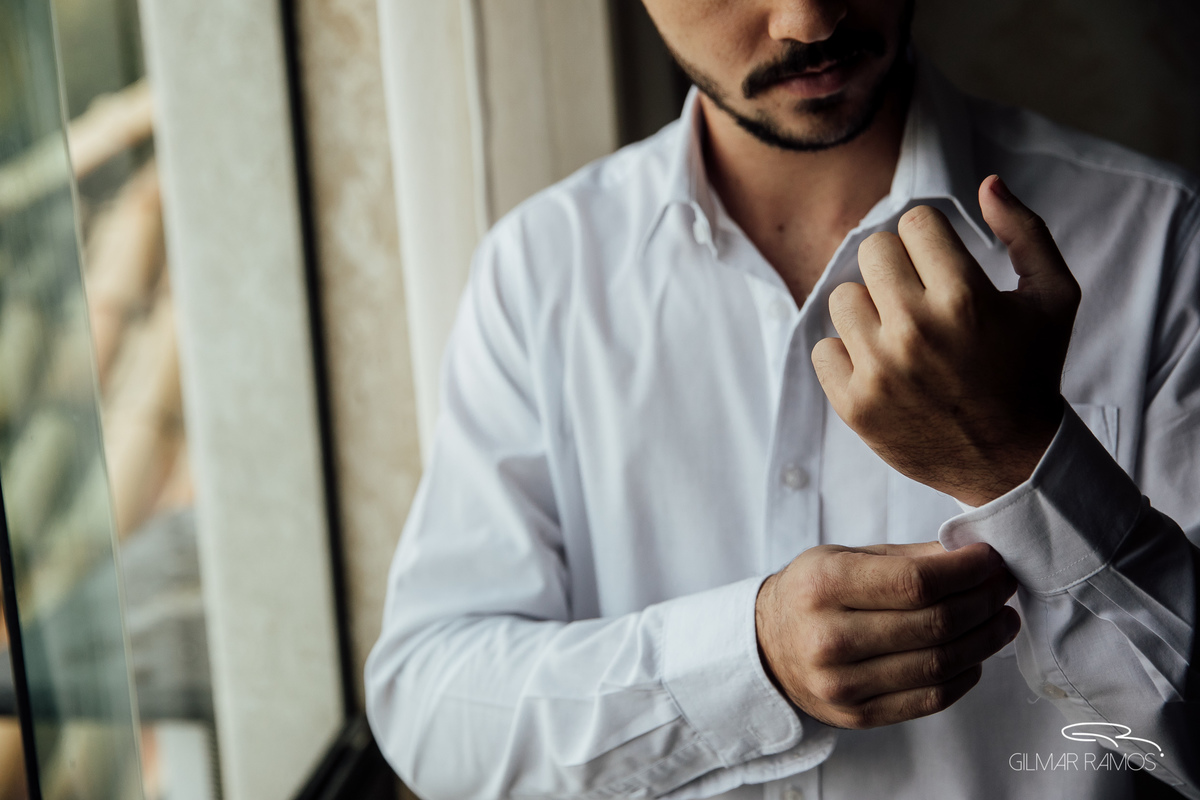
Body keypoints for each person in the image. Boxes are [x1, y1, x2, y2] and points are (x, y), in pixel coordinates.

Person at [365, 1, 1199, 797]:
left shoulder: (1159, 240)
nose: (810, 20)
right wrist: (750, 662)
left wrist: (1020, 463)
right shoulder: (540, 269)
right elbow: (433, 707)